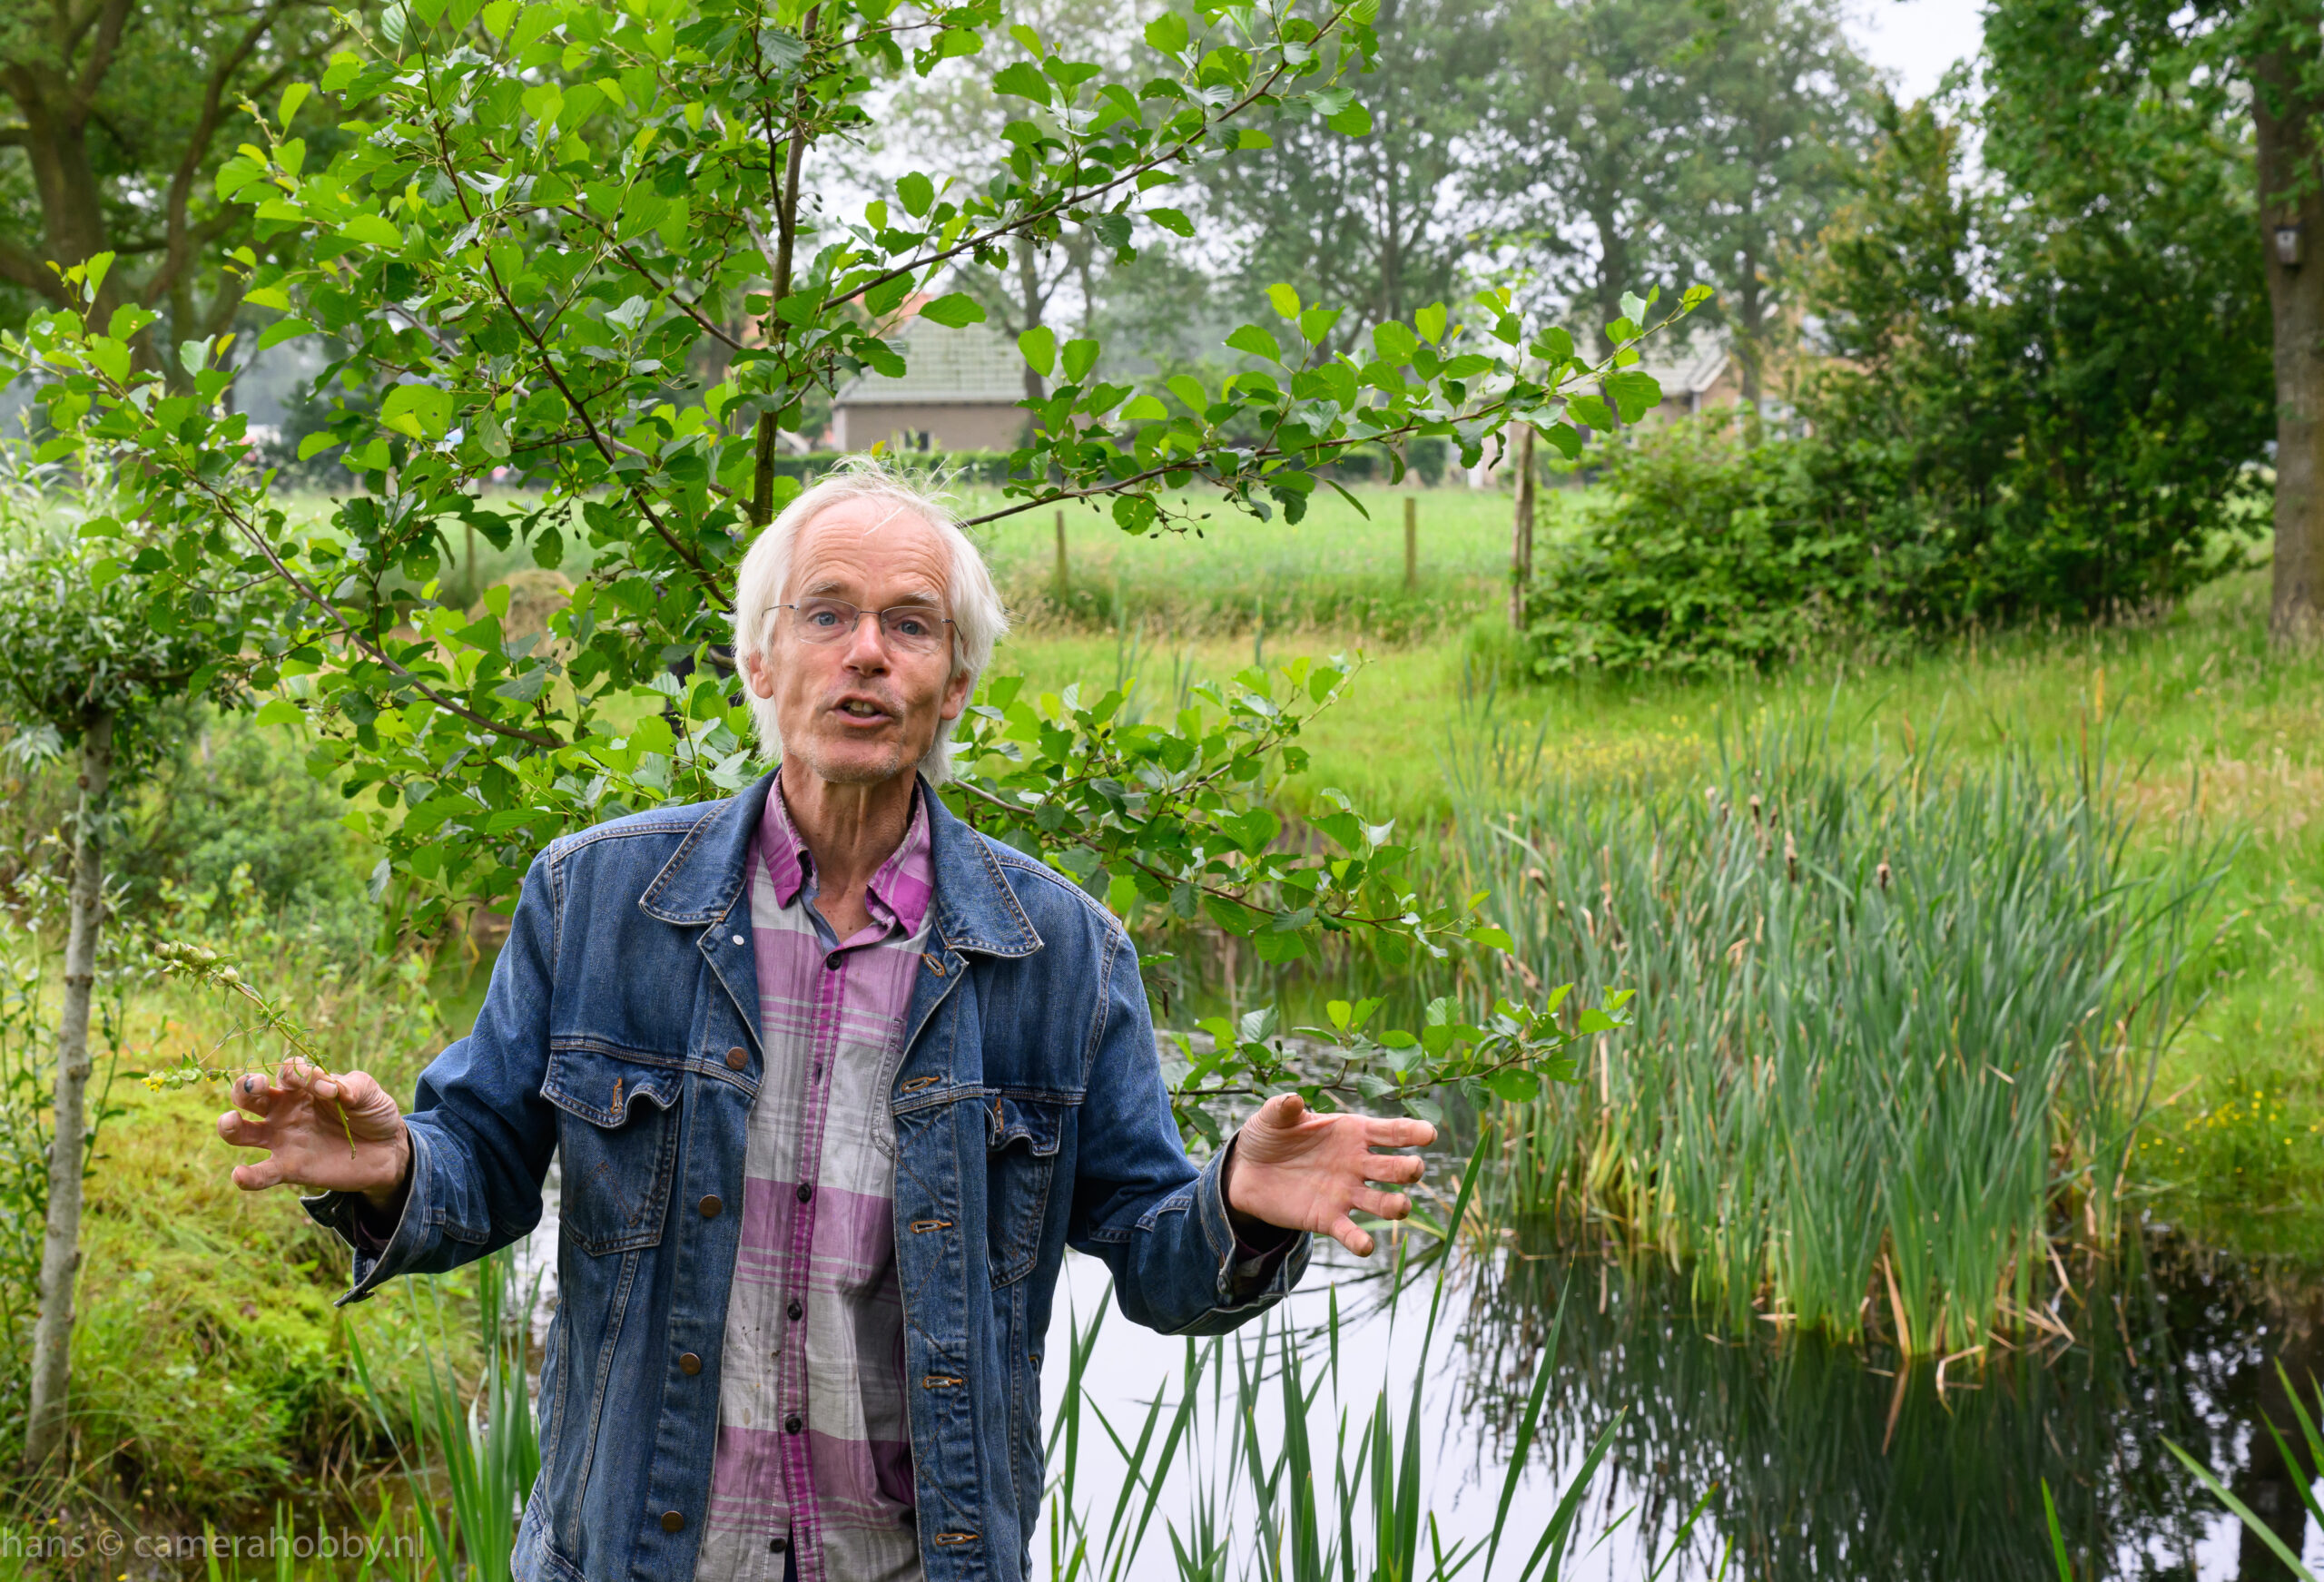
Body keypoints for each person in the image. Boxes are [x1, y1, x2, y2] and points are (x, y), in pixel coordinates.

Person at [215, 459, 1434, 1582]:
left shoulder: (1063, 955)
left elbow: (1159, 1262)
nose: (867, 654)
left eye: (911, 625)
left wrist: (1238, 1205)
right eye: (827, 615)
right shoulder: (595, 900)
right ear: (760, 660)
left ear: (955, 685)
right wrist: (394, 1167)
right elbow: (482, 1167)